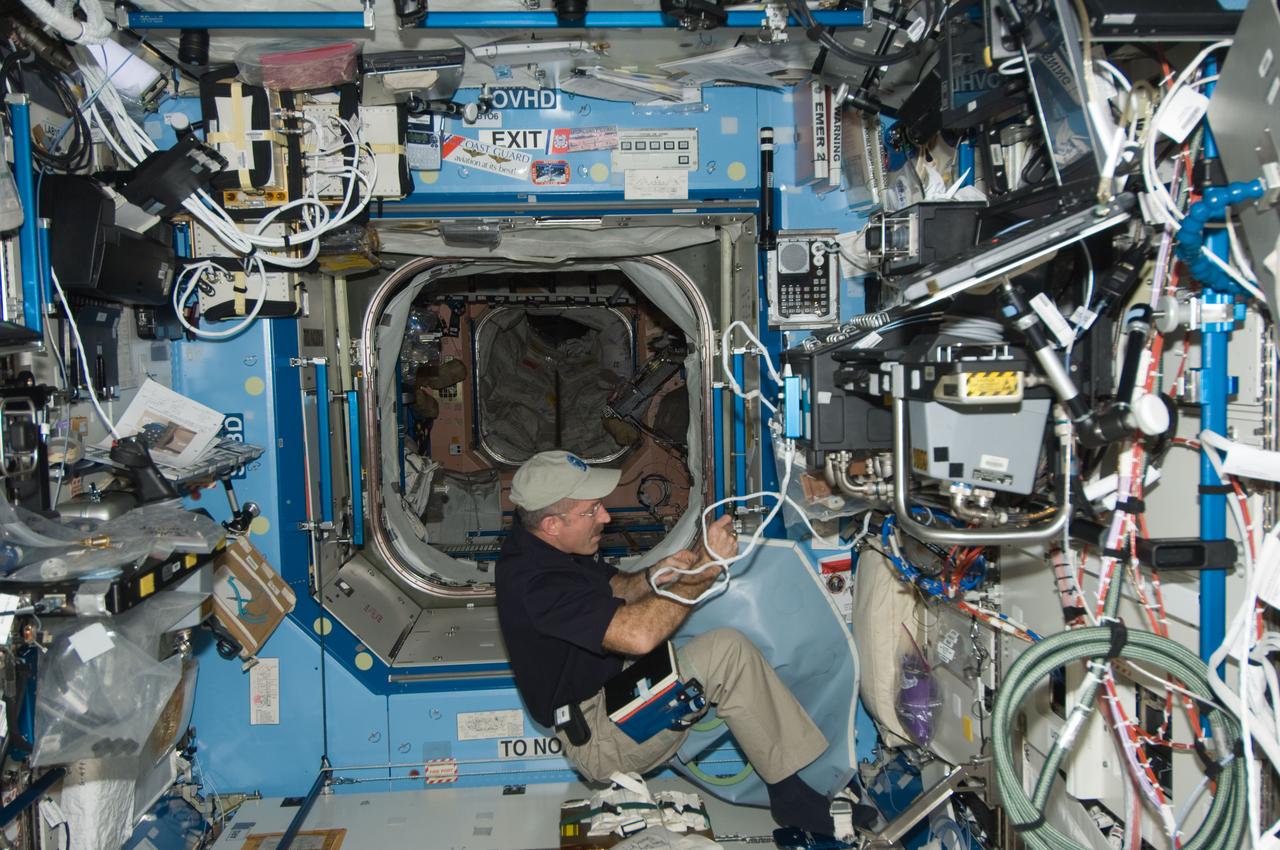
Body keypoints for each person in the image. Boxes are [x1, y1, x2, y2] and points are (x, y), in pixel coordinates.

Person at [496, 449, 841, 837]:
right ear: (552, 524)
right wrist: (706, 569)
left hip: (610, 688)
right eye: (591, 511)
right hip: (599, 736)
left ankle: (788, 778)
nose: (605, 517)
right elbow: (638, 637)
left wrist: (657, 574)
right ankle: (794, 800)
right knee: (724, 652)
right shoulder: (535, 584)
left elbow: (613, 587)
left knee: (698, 626)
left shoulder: (542, 542)